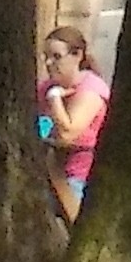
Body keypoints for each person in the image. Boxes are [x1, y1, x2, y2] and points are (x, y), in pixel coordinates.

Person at [36, 25, 110, 222]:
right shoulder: (46, 87)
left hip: (78, 177)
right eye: (46, 57)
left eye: (56, 57)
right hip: (46, 170)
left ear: (77, 55)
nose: (49, 63)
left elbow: (68, 133)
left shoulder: (91, 89)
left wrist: (54, 98)